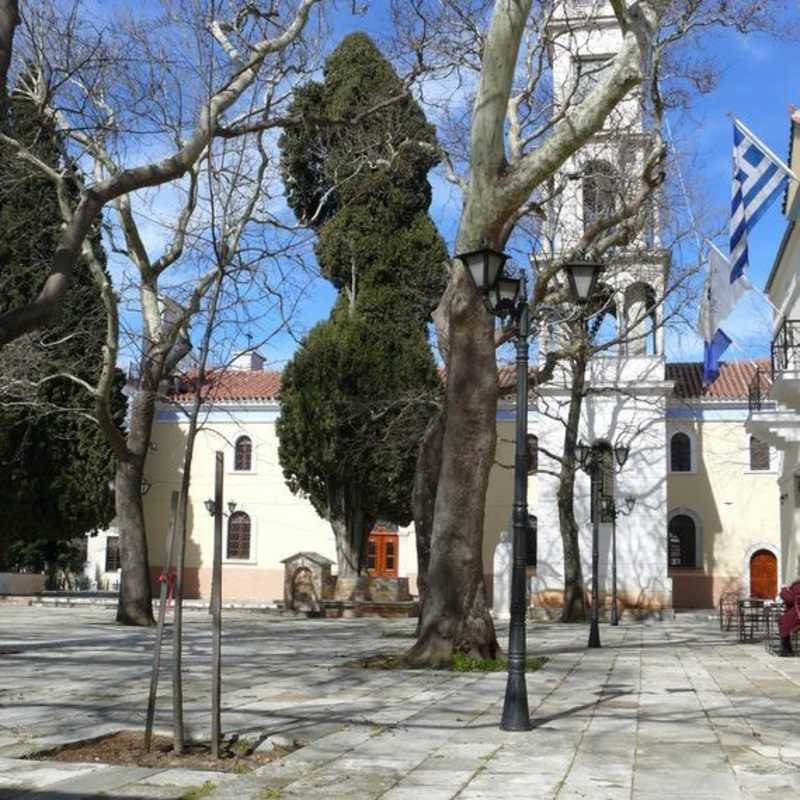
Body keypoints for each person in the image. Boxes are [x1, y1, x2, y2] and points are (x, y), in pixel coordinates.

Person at [778, 579, 800, 656]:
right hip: (796, 612)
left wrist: (783, 589)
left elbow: (789, 599)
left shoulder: (798, 585)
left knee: (784, 622)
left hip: (797, 614)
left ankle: (787, 650)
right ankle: (787, 649)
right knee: (785, 621)